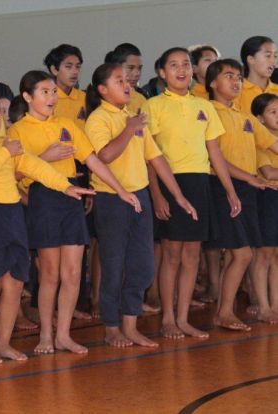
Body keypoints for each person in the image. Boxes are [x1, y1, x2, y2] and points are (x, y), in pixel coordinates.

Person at [0, 86, 96, 364]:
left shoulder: (3, 141)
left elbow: (35, 167)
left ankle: (3, 344)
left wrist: (66, 187)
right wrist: (5, 152)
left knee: (15, 283)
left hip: (12, 214)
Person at [9, 70, 142, 354]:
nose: (51, 97)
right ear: (27, 97)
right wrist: (45, 157)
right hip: (43, 198)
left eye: (53, 91)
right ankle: (46, 334)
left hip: (72, 196)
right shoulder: (18, 129)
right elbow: (16, 173)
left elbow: (92, 160)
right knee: (50, 273)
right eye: (44, 91)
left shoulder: (68, 124)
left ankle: (64, 335)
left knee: (72, 272)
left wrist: (120, 190)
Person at [85, 63, 196, 347]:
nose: (127, 85)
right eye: (119, 80)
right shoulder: (98, 119)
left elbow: (156, 159)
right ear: (102, 89)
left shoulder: (132, 118)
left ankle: (131, 325)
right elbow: (105, 155)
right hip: (111, 199)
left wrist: (179, 196)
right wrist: (129, 129)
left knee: (143, 265)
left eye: (127, 81)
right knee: (113, 264)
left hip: (140, 197)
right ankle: (111, 326)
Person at [142, 47, 241, 339]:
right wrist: (157, 195)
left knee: (192, 255)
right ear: (162, 72)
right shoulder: (154, 106)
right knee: (171, 254)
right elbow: (150, 155)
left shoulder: (205, 106)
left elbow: (215, 153)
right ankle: (168, 318)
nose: (181, 70)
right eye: (173, 65)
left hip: (199, 183)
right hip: (170, 182)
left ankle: (184, 318)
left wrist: (230, 190)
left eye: (185, 64)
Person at [206, 60, 278, 330]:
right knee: (243, 254)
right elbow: (215, 159)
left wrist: (250, 181)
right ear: (213, 83)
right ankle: (223, 312)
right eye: (228, 76)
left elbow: (273, 143)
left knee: (240, 254)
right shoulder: (209, 111)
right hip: (223, 187)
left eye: (238, 77)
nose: (236, 82)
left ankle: (223, 311)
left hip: (248, 191)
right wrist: (249, 177)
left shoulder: (245, 116)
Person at [252, 93, 278, 322]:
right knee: (264, 254)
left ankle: (276, 304)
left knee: (277, 256)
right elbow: (268, 173)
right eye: (273, 112)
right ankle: (263, 305)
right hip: (268, 198)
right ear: (259, 118)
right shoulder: (260, 142)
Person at [44, 44, 87, 129]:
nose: (75, 72)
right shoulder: (46, 99)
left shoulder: (85, 98)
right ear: (54, 70)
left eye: (78, 67)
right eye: (68, 67)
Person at [235, 36, 278, 113]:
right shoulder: (236, 91)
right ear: (251, 59)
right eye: (268, 56)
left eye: (275, 56)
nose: (273, 61)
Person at [104, 43, 149, 112]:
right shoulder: (103, 97)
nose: (137, 73)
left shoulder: (141, 99)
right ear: (115, 67)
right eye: (130, 68)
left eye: (139, 68)